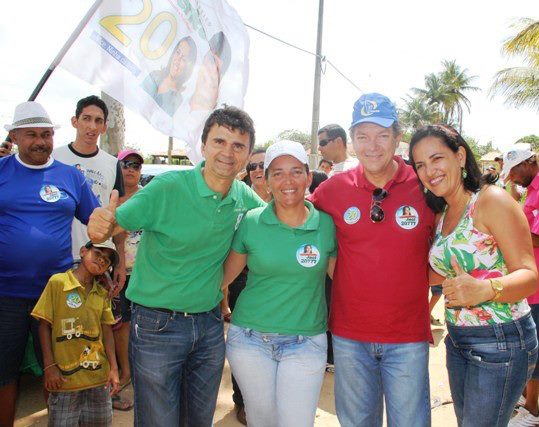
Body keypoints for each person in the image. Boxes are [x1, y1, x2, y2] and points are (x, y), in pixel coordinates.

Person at [87, 106, 265, 427]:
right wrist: (101, 225)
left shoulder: (244, 197)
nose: (228, 152)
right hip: (157, 325)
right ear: (204, 145)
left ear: (248, 154)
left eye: (238, 145)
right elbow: (114, 223)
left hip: (209, 326)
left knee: (198, 420)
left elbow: (277, 225)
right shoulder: (168, 187)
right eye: (219, 141)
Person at [310, 93, 435, 426]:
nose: (373, 145)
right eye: (362, 136)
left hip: (407, 337)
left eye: (382, 135)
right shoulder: (332, 190)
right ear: (351, 142)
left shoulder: (425, 187)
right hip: (350, 337)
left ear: (397, 137)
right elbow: (295, 222)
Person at [409, 124, 538, 427]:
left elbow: (530, 276)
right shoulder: (442, 214)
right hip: (458, 339)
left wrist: (485, 289)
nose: (429, 170)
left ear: (460, 155)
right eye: (420, 165)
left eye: (437, 158)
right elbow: (433, 274)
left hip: (501, 340)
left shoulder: (491, 201)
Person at [222, 140, 337, 427]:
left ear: (309, 178)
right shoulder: (251, 221)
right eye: (278, 173)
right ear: (267, 180)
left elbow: (347, 281)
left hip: (306, 342)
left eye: (296, 171)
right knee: (262, 421)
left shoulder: (326, 225)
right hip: (249, 340)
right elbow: (223, 278)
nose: (287, 181)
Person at [0, 101, 99, 426]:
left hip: (58, 295)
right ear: (14, 136)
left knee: (57, 369)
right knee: (4, 370)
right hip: (6, 293)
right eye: (31, 135)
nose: (41, 141)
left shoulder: (70, 176)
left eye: (46, 134)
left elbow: (96, 222)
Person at [31, 241, 120, 426]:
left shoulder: (102, 293)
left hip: (98, 379)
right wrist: (49, 366)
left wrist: (113, 368)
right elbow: (43, 326)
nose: (102, 260)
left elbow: (107, 331)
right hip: (65, 380)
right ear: (82, 251)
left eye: (107, 261)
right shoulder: (58, 283)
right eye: (97, 253)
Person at [53, 95, 127, 297]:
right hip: (59, 258)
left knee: (95, 325)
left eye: (98, 121)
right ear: (74, 121)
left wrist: (120, 261)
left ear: (104, 127)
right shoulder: (54, 157)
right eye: (86, 118)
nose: (92, 126)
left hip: (99, 259)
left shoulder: (112, 164)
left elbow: (118, 217)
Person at [499, 144, 539, 426]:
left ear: (527, 163)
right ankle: (528, 398)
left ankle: (533, 410)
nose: (512, 178)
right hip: (530, 282)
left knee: (535, 349)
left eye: (513, 172)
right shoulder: (531, 189)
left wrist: (510, 234)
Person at [110, 149, 145, 412]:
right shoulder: (111, 197)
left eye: (136, 165)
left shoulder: (149, 196)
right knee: (121, 325)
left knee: (144, 325)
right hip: (117, 272)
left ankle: (142, 374)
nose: (131, 169)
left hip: (147, 274)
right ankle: (125, 372)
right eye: (126, 164)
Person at [142, 36, 197, 116]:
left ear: (188, 68)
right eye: (178, 52)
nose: (178, 60)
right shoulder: (154, 75)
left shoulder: (178, 101)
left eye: (184, 59)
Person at [190, 31, 231, 112]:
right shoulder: (174, 104)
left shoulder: (216, 122)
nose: (205, 88)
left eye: (212, 82)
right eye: (204, 77)